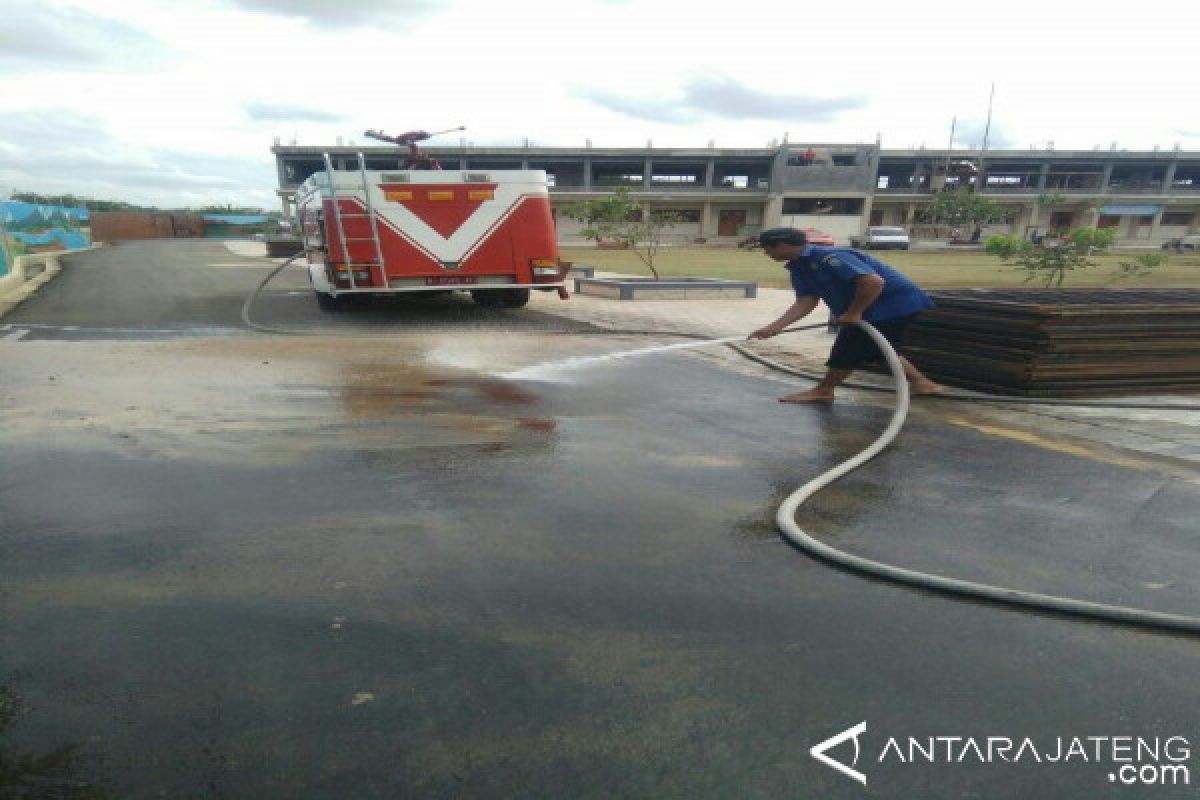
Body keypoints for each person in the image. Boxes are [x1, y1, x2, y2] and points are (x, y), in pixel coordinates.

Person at [749, 227, 942, 403]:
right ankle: (922, 383)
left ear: (782, 245)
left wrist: (853, 313)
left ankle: (824, 390)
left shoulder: (830, 257)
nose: (766, 253)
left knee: (848, 348)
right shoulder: (799, 267)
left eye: (767, 249)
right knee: (878, 350)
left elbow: (873, 282)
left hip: (894, 304)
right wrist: (774, 327)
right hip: (875, 308)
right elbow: (805, 302)